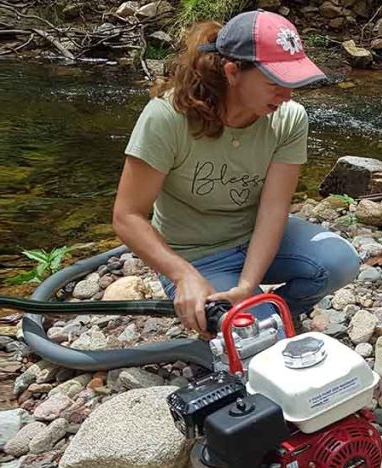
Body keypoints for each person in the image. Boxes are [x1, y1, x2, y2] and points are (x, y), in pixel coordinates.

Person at [112, 10, 360, 338]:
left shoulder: (289, 118)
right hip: (196, 255)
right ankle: (248, 321)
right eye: (275, 83)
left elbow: (274, 211)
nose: (286, 95)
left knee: (340, 263)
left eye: (292, 83)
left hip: (256, 237)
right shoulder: (167, 118)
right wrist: (183, 276)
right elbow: (127, 216)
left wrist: (246, 286)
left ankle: (276, 314)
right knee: (254, 336)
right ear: (232, 72)